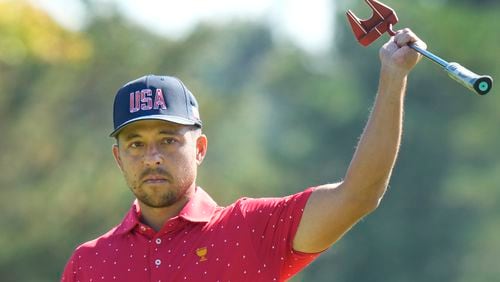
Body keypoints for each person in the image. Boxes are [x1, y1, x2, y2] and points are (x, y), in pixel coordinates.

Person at [61, 28, 426, 282]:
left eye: (169, 140)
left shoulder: (251, 231)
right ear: (118, 158)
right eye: (136, 144)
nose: (152, 157)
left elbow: (358, 196)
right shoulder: (89, 263)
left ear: (199, 149)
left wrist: (393, 78)